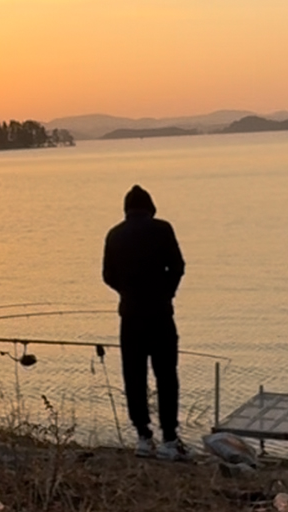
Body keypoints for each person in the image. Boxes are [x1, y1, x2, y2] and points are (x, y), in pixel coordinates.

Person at [103, 185, 187, 459]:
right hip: (160, 314)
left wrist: (127, 291)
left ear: (126, 210)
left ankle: (142, 435)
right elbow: (178, 266)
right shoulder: (163, 229)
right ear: (150, 208)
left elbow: (107, 275)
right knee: (166, 375)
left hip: (130, 316)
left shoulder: (114, 235)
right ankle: (170, 438)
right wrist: (166, 292)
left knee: (134, 375)